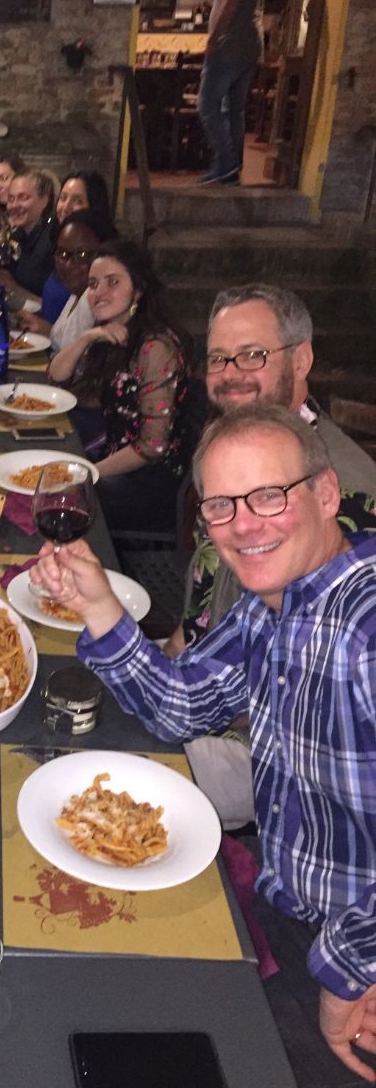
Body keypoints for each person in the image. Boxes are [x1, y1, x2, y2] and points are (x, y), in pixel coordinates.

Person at [31, 404, 376, 1086]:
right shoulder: (269, 601)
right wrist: (99, 605)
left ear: (326, 493)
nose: (244, 524)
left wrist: (354, 961)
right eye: (221, 506)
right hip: (285, 912)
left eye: (268, 495)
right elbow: (181, 705)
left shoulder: (364, 625)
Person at [170, 284, 376, 830]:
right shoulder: (241, 449)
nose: (231, 372)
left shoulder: (351, 504)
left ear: (302, 358)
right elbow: (203, 613)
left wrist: (178, 707)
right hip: (204, 687)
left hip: (262, 748)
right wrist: (172, 652)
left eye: (253, 355)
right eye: (218, 358)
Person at [48, 240, 192, 531]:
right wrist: (86, 338)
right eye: (93, 284)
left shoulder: (154, 347)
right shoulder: (115, 333)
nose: (99, 292)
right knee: (49, 468)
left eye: (112, 282)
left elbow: (153, 447)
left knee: (56, 498)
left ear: (137, 289)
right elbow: (56, 379)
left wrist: (88, 475)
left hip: (147, 483)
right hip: (114, 460)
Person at [197, 0, 267, 185]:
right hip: (250, 46)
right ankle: (232, 167)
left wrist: (213, 39)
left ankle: (225, 162)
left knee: (207, 104)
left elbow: (230, 3)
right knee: (233, 109)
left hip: (230, 47)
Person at [18, 207, 115, 338]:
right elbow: (66, 342)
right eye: (62, 254)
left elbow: (82, 354)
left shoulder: (98, 300)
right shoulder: (76, 294)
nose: (68, 264)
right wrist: (45, 330)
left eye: (81, 255)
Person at [0, 168, 58, 305]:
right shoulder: (17, 235)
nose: (14, 205)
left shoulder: (54, 238)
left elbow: (57, 309)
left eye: (23, 198)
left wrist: (14, 288)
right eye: (11, 199)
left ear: (44, 201)